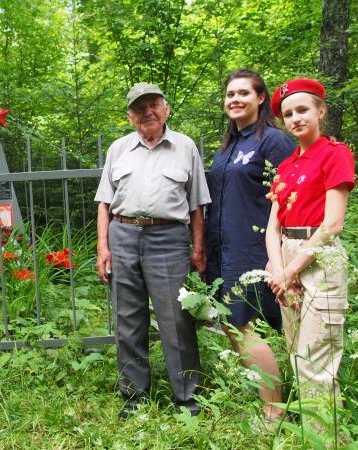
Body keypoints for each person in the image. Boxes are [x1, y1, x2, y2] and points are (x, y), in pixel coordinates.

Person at [95, 83, 211, 419]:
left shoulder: (185, 147)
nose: (147, 112)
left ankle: (188, 398)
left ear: (166, 109)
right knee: (128, 319)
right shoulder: (118, 149)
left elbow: (197, 206)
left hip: (169, 238)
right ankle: (133, 397)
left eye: (153, 105)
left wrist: (197, 249)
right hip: (123, 235)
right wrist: (103, 247)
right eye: (139, 108)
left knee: (176, 319)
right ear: (131, 117)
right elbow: (104, 203)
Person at [205, 69, 295, 425]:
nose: (235, 99)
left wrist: (279, 254)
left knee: (243, 326)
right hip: (223, 249)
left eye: (243, 92)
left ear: (260, 98)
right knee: (235, 325)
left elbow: (291, 198)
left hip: (254, 249)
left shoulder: (273, 141)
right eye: (230, 94)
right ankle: (269, 398)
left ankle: (274, 411)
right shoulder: (228, 147)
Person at [265, 78, 354, 413]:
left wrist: (291, 270)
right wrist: (277, 270)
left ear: (321, 111)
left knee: (316, 359)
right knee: (297, 353)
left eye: (302, 109)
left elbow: (333, 223)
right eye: (288, 114)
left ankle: (326, 440)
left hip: (319, 257)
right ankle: (312, 434)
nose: (295, 118)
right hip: (286, 258)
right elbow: (272, 227)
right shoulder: (286, 166)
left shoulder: (335, 154)